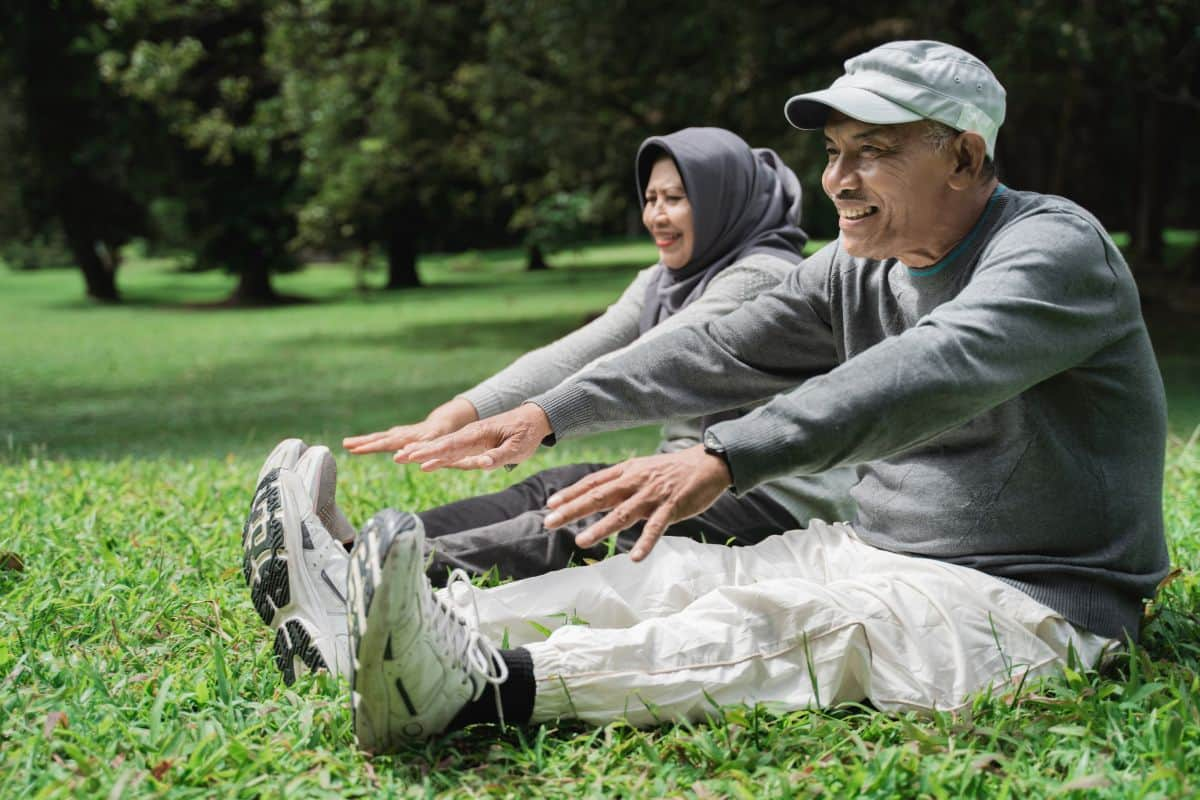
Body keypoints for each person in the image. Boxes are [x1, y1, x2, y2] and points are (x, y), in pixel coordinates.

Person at [334, 39, 1171, 753]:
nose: (838, 178)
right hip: (877, 545)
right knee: (655, 577)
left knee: (782, 628)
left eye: (872, 150)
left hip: (1029, 597)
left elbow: (934, 366)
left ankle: (470, 689)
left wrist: (724, 455)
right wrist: (547, 412)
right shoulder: (856, 265)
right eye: (835, 150)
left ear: (963, 157)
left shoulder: (1053, 248)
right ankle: (365, 637)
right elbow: (717, 345)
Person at [240, 128, 857, 686]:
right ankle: (350, 551)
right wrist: (459, 412)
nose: (657, 216)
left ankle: (364, 581)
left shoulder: (759, 275)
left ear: (725, 200)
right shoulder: (666, 279)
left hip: (762, 495)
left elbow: (654, 363)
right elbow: (575, 352)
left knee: (575, 526)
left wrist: (536, 418)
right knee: (549, 489)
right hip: (677, 473)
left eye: (676, 197)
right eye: (650, 198)